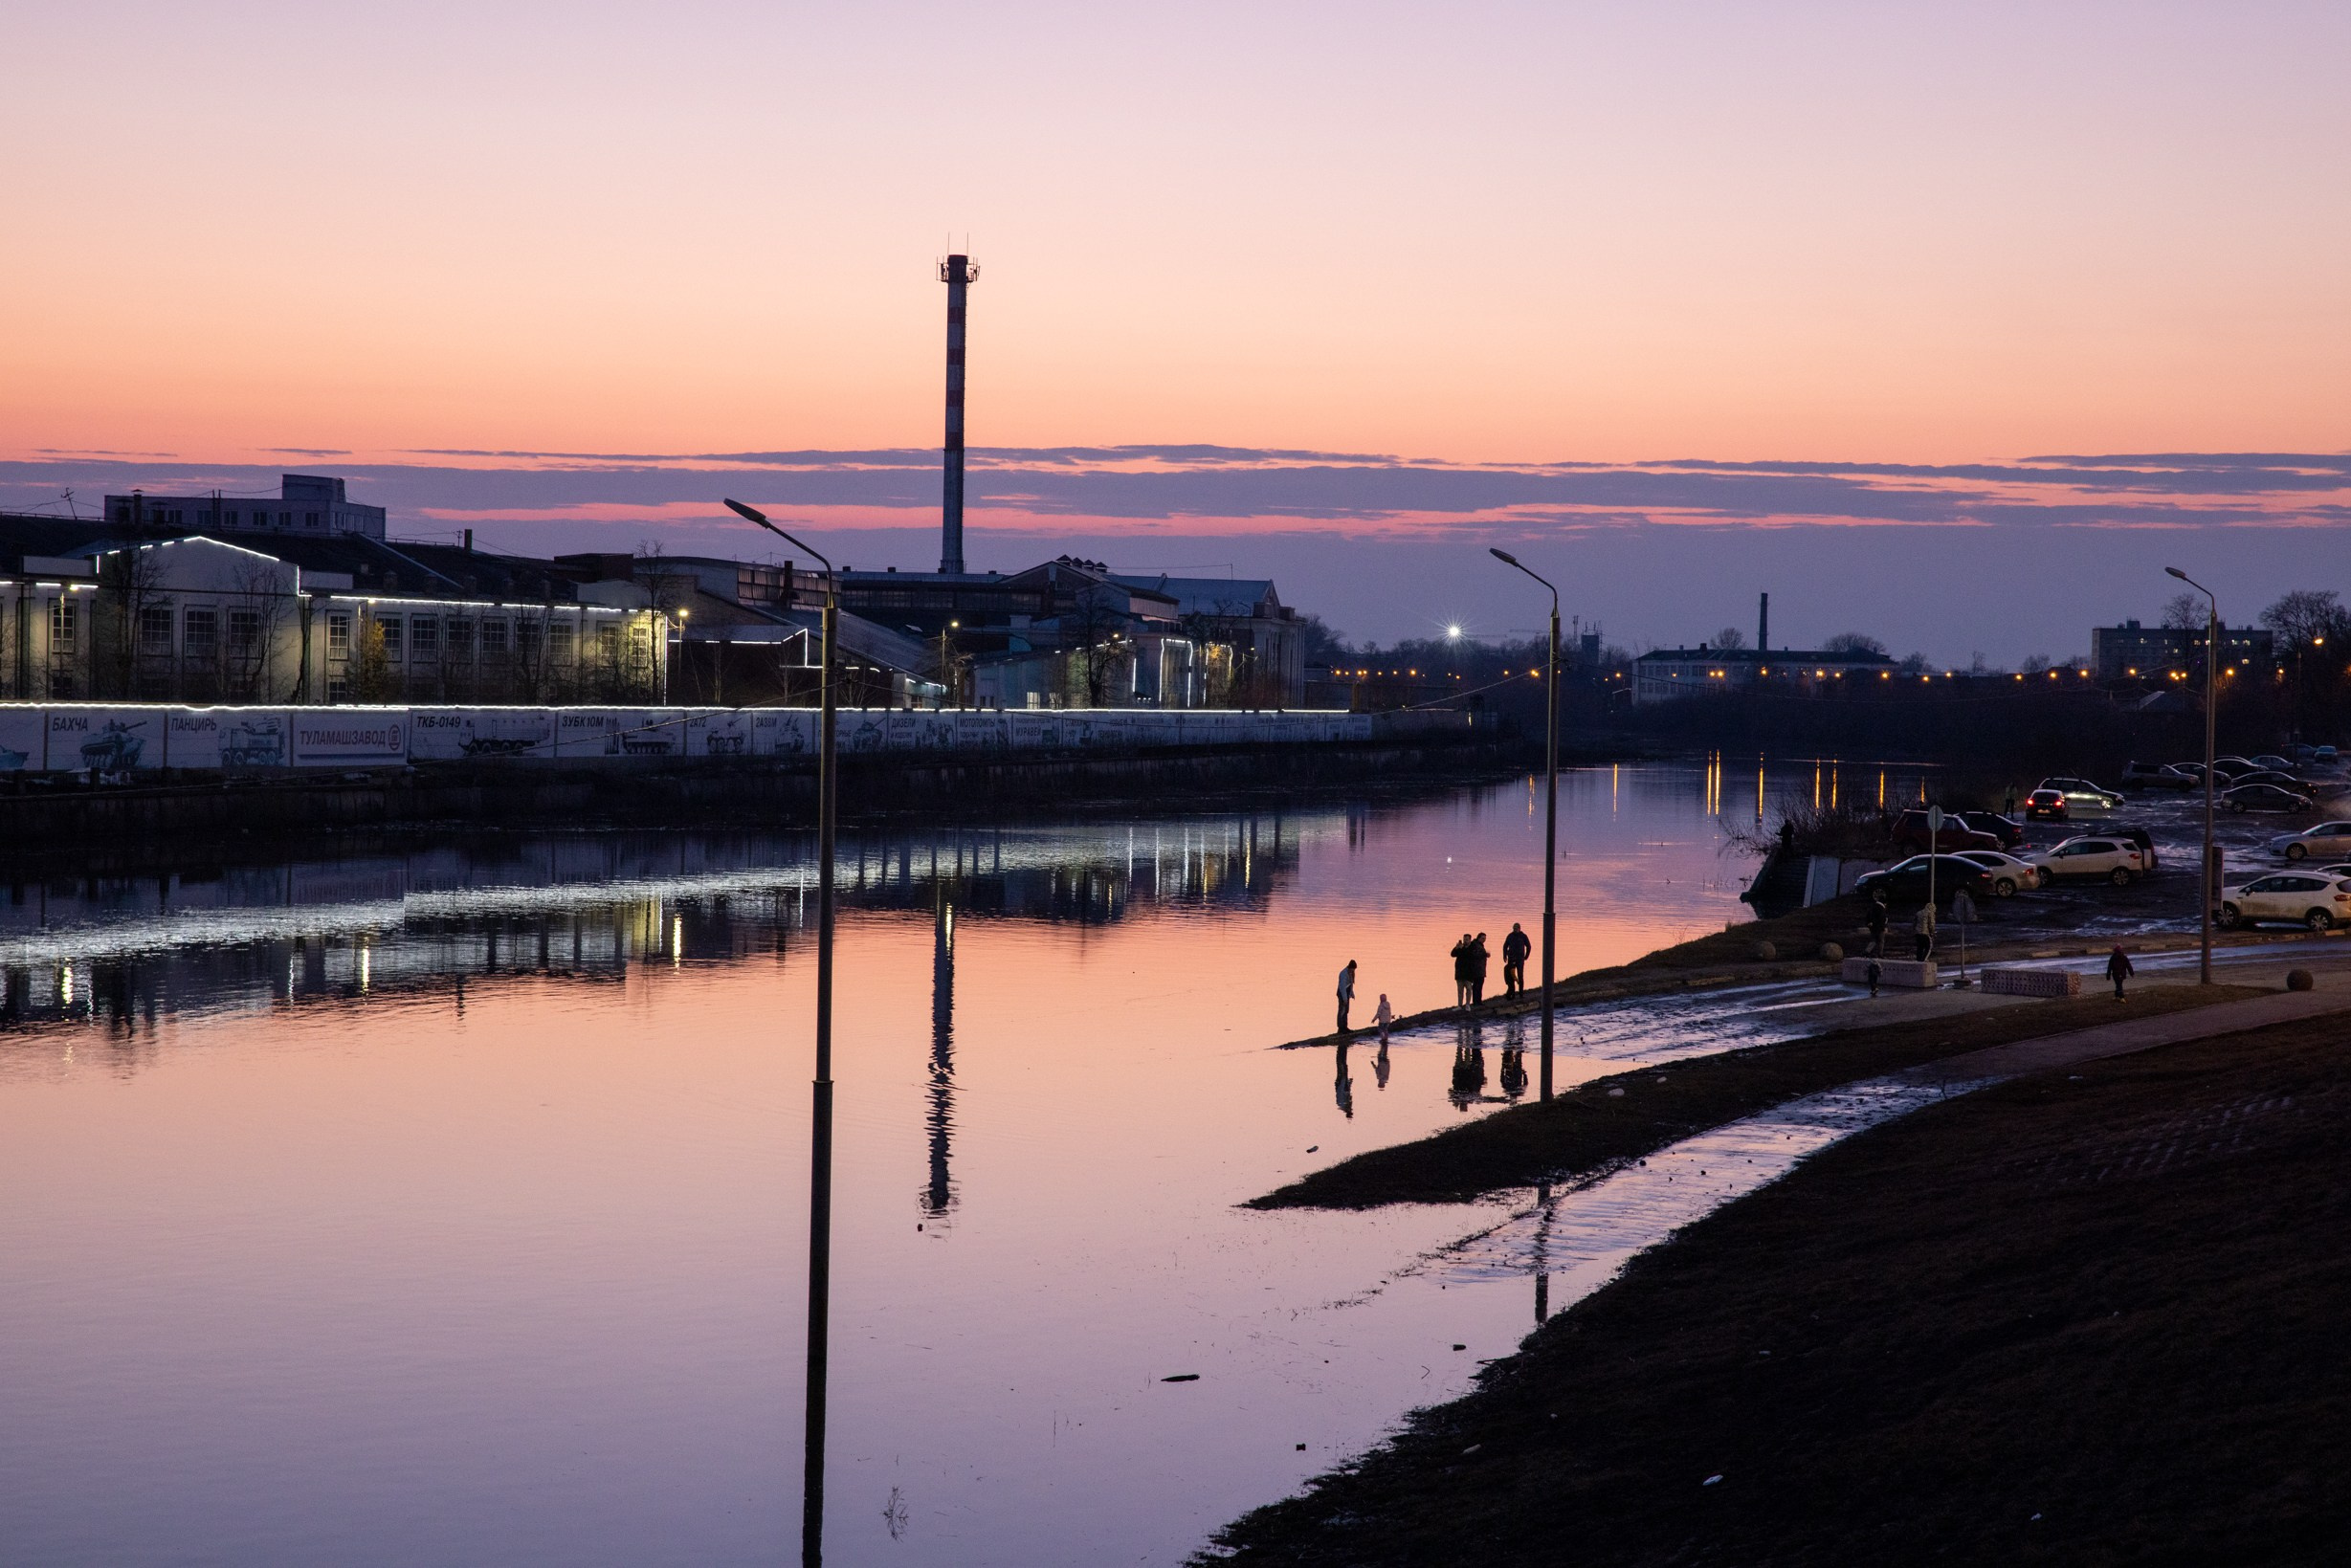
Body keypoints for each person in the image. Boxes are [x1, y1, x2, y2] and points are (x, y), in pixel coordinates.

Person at [1501, 923, 1531, 995]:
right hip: (1511, 959)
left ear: (1519, 928)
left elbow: (1529, 946)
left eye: (1516, 928)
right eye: (1514, 928)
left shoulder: (1523, 936)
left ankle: (1521, 993)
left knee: (1520, 975)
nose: (1515, 930)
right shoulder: (1510, 936)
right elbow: (1505, 946)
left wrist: (1526, 956)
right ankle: (1512, 992)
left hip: (1520, 959)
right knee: (1511, 976)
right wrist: (1504, 955)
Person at [1450, 933, 1475, 1007]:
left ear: (1470, 940)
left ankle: (1467, 1004)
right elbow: (1452, 954)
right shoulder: (1461, 947)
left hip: (1469, 973)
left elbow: (1468, 955)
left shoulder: (1472, 948)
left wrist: (1462, 948)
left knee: (1469, 989)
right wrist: (1456, 947)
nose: (1465, 941)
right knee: (1460, 990)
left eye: (1466, 940)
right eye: (1464, 939)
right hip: (1459, 973)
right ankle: (1459, 1005)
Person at [1335, 959, 1357, 1033]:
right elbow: (1342, 988)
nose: (1353, 971)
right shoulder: (1343, 974)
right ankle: (1340, 1028)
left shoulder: (1351, 973)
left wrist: (1352, 993)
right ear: (1350, 967)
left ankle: (1345, 1026)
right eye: (1352, 969)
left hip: (1347, 992)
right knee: (1342, 1010)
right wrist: (1345, 999)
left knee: (1346, 1010)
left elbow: (1350, 984)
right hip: (1342, 993)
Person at [1469, 933, 1491, 1005]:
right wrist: (1485, 954)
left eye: (1485, 938)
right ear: (1479, 938)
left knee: (1478, 985)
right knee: (1477, 986)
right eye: (1483, 938)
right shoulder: (1475, 945)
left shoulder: (1478, 945)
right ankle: (1476, 1002)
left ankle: (1478, 1001)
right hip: (1477, 969)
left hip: (1480, 969)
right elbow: (1474, 955)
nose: (1484, 940)